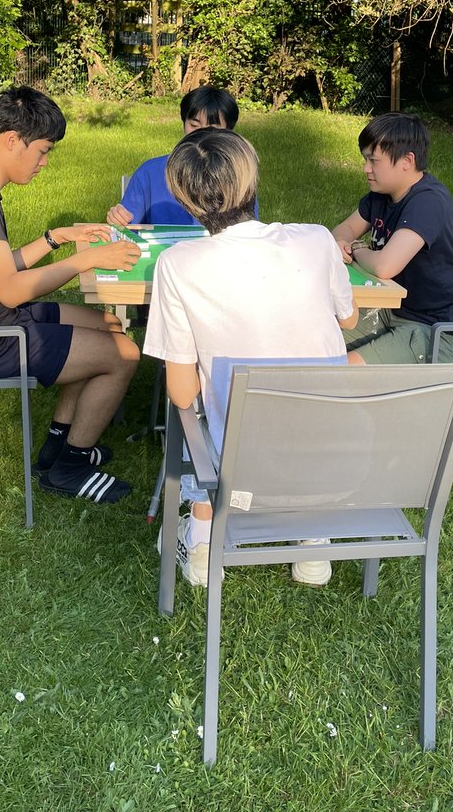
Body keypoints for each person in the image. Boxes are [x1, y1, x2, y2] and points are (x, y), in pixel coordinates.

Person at [144, 128, 358, 588]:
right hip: (329, 448)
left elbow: (182, 392)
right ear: (252, 180)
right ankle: (313, 542)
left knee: (196, 411)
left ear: (186, 200)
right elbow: (350, 320)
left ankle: (201, 539)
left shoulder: (177, 264)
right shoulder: (318, 239)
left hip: (240, 457)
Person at [0, 86, 142, 504]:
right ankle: (69, 469)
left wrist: (56, 237)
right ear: (11, 140)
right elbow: (11, 288)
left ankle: (57, 448)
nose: (43, 163)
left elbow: (1, 266)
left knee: (107, 324)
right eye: (42, 150)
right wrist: (87, 261)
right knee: (123, 355)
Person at [331, 112, 453, 365]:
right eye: (365, 159)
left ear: (407, 160)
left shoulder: (428, 201)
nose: (366, 169)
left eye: (373, 161)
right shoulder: (381, 194)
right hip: (391, 312)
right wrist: (342, 242)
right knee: (316, 341)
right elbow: (343, 229)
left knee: (343, 369)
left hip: (438, 329)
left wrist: (355, 249)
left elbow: (385, 266)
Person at [106, 86, 240, 227]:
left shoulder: (238, 176)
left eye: (212, 128)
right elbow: (127, 230)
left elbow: (247, 233)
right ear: (184, 123)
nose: (201, 134)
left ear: (228, 132)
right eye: (194, 125)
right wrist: (117, 219)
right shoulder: (150, 173)